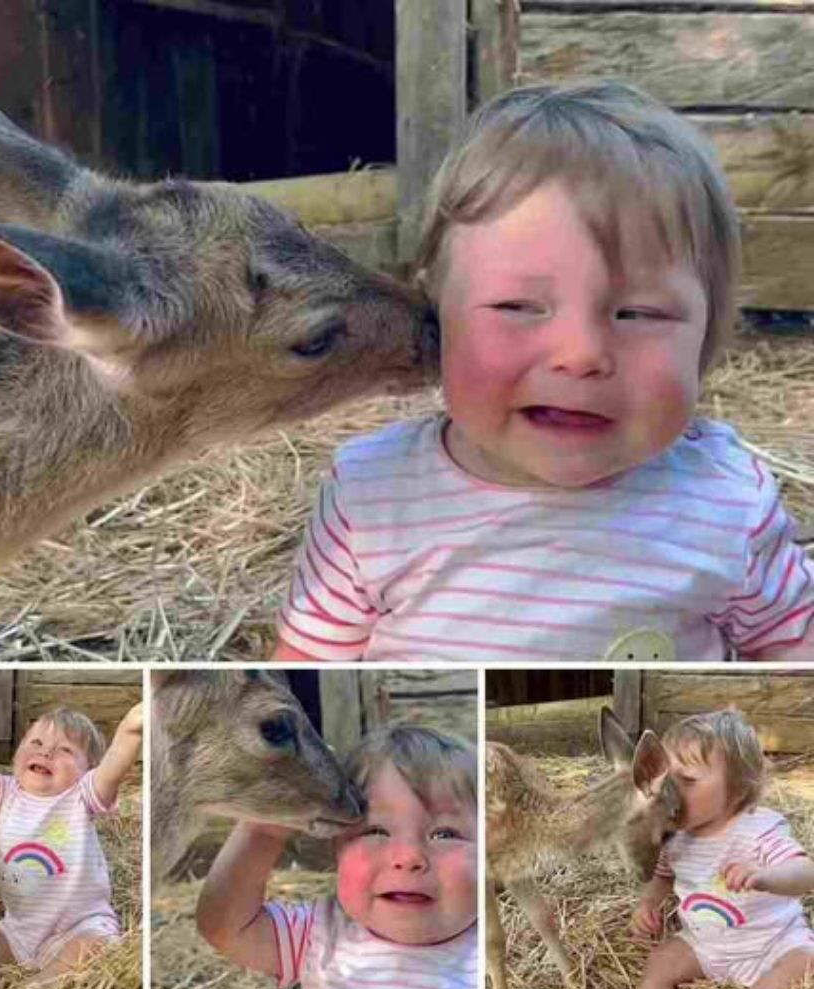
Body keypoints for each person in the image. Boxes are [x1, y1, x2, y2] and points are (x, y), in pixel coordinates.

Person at [274, 79, 814, 662]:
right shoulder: (370, 498)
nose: (580, 354)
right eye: (517, 307)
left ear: (707, 335)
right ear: (437, 314)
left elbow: (791, 655)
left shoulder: (727, 501)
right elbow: (307, 660)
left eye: (639, 312)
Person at [195, 724, 477, 989]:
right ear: (337, 849)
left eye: (444, 834)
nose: (408, 857)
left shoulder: (488, 951)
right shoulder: (320, 934)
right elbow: (225, 927)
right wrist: (266, 829)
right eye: (376, 831)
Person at [0, 683, 142, 989]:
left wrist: (133, 727)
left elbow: (115, 766)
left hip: (79, 927)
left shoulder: (82, 796)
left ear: (87, 771)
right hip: (20, 928)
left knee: (89, 952)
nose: (45, 751)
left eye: (65, 750)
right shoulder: (4, 793)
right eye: (35, 741)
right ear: (18, 752)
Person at [632, 709, 814, 989]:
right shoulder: (673, 835)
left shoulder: (758, 828)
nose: (670, 791)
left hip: (773, 943)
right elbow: (663, 877)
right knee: (659, 963)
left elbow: (806, 874)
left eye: (688, 781)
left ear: (737, 790)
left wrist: (766, 876)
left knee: (803, 963)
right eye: (666, 778)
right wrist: (649, 903)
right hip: (706, 944)